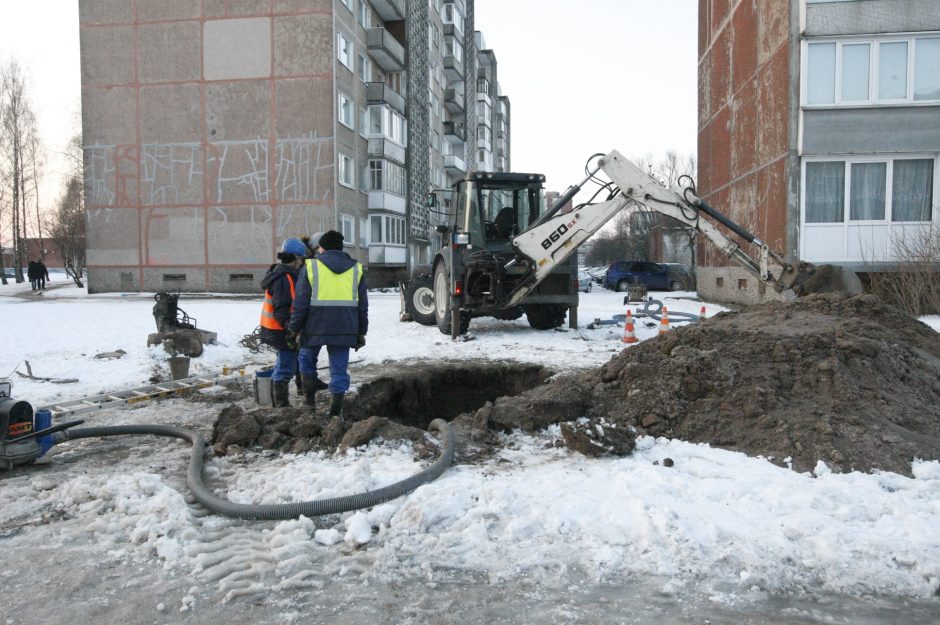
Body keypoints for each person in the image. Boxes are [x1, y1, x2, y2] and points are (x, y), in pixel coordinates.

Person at [288, 230, 368, 418]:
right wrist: (360, 332)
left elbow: (300, 303)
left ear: (322, 247)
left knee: (306, 359)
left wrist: (294, 328)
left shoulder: (311, 268)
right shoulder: (356, 269)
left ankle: (308, 403)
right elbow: (362, 306)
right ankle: (335, 410)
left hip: (314, 326)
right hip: (345, 328)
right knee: (339, 367)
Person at [259, 237, 325, 407]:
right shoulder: (283, 278)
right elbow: (281, 310)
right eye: (301, 259)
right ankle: (281, 407)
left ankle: (282, 404)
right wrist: (291, 331)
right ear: (295, 258)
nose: (302, 263)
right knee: (285, 367)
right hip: (280, 330)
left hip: (278, 329)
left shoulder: (285, 275)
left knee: (289, 363)